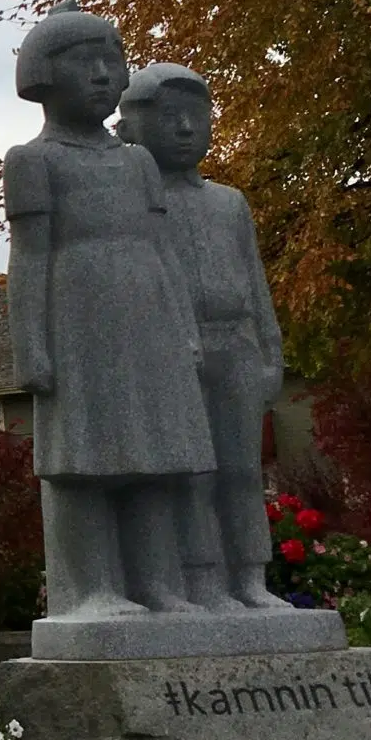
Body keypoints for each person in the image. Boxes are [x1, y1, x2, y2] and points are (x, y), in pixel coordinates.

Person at [4, 2, 214, 619]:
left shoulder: (137, 160)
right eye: (84, 61)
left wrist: (184, 327)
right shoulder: (34, 160)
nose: (102, 73)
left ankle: (157, 584)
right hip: (77, 318)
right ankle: (93, 589)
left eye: (111, 60)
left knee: (154, 455)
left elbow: (163, 251)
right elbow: (30, 258)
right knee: (84, 460)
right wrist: (32, 347)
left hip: (149, 316)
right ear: (43, 74)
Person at [118, 62, 290, 611]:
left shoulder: (229, 203)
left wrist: (271, 354)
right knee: (191, 472)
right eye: (170, 118)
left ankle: (251, 579)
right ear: (135, 126)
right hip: (174, 353)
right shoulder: (138, 203)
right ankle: (202, 580)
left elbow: (255, 284)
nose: (186, 129)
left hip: (236, 346)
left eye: (196, 116)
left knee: (241, 471)